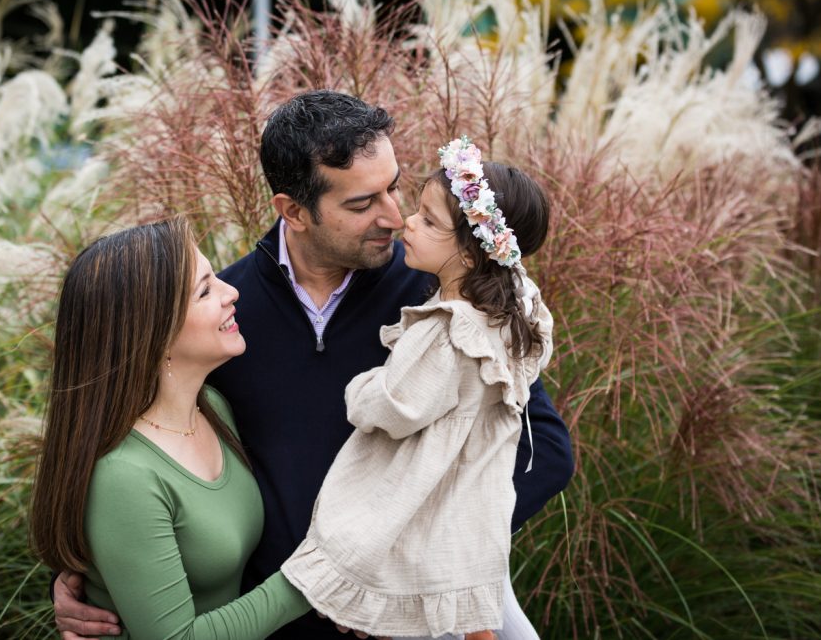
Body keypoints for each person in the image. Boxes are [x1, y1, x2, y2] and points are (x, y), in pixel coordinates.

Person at [53, 90, 573, 639]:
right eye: (361, 204)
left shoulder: (449, 297)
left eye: (393, 187)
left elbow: (545, 451)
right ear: (293, 211)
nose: (394, 217)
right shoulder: (218, 316)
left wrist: (404, 564)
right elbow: (129, 444)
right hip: (266, 626)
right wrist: (93, 581)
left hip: (404, 621)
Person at [282, 137, 553, 639]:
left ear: (472, 254)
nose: (404, 221)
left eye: (428, 221)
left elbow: (394, 403)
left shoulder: (446, 332)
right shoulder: (517, 308)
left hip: (429, 522)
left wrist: (361, 387)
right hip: (476, 531)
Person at [31, 219, 311, 640]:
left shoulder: (211, 409)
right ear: (153, 331)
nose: (231, 292)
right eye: (205, 290)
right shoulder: (124, 476)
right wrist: (316, 578)